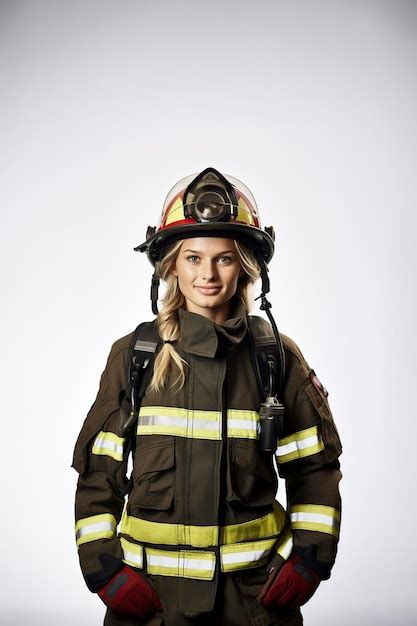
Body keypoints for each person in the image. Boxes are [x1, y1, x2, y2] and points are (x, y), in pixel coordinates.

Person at [72, 167, 342, 626]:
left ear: (248, 266)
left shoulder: (276, 358)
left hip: (256, 603)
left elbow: (315, 469)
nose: (208, 274)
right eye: (193, 258)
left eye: (224, 258)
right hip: (153, 604)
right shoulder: (135, 355)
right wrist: (104, 569)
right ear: (171, 265)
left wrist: (309, 560)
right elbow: (99, 474)